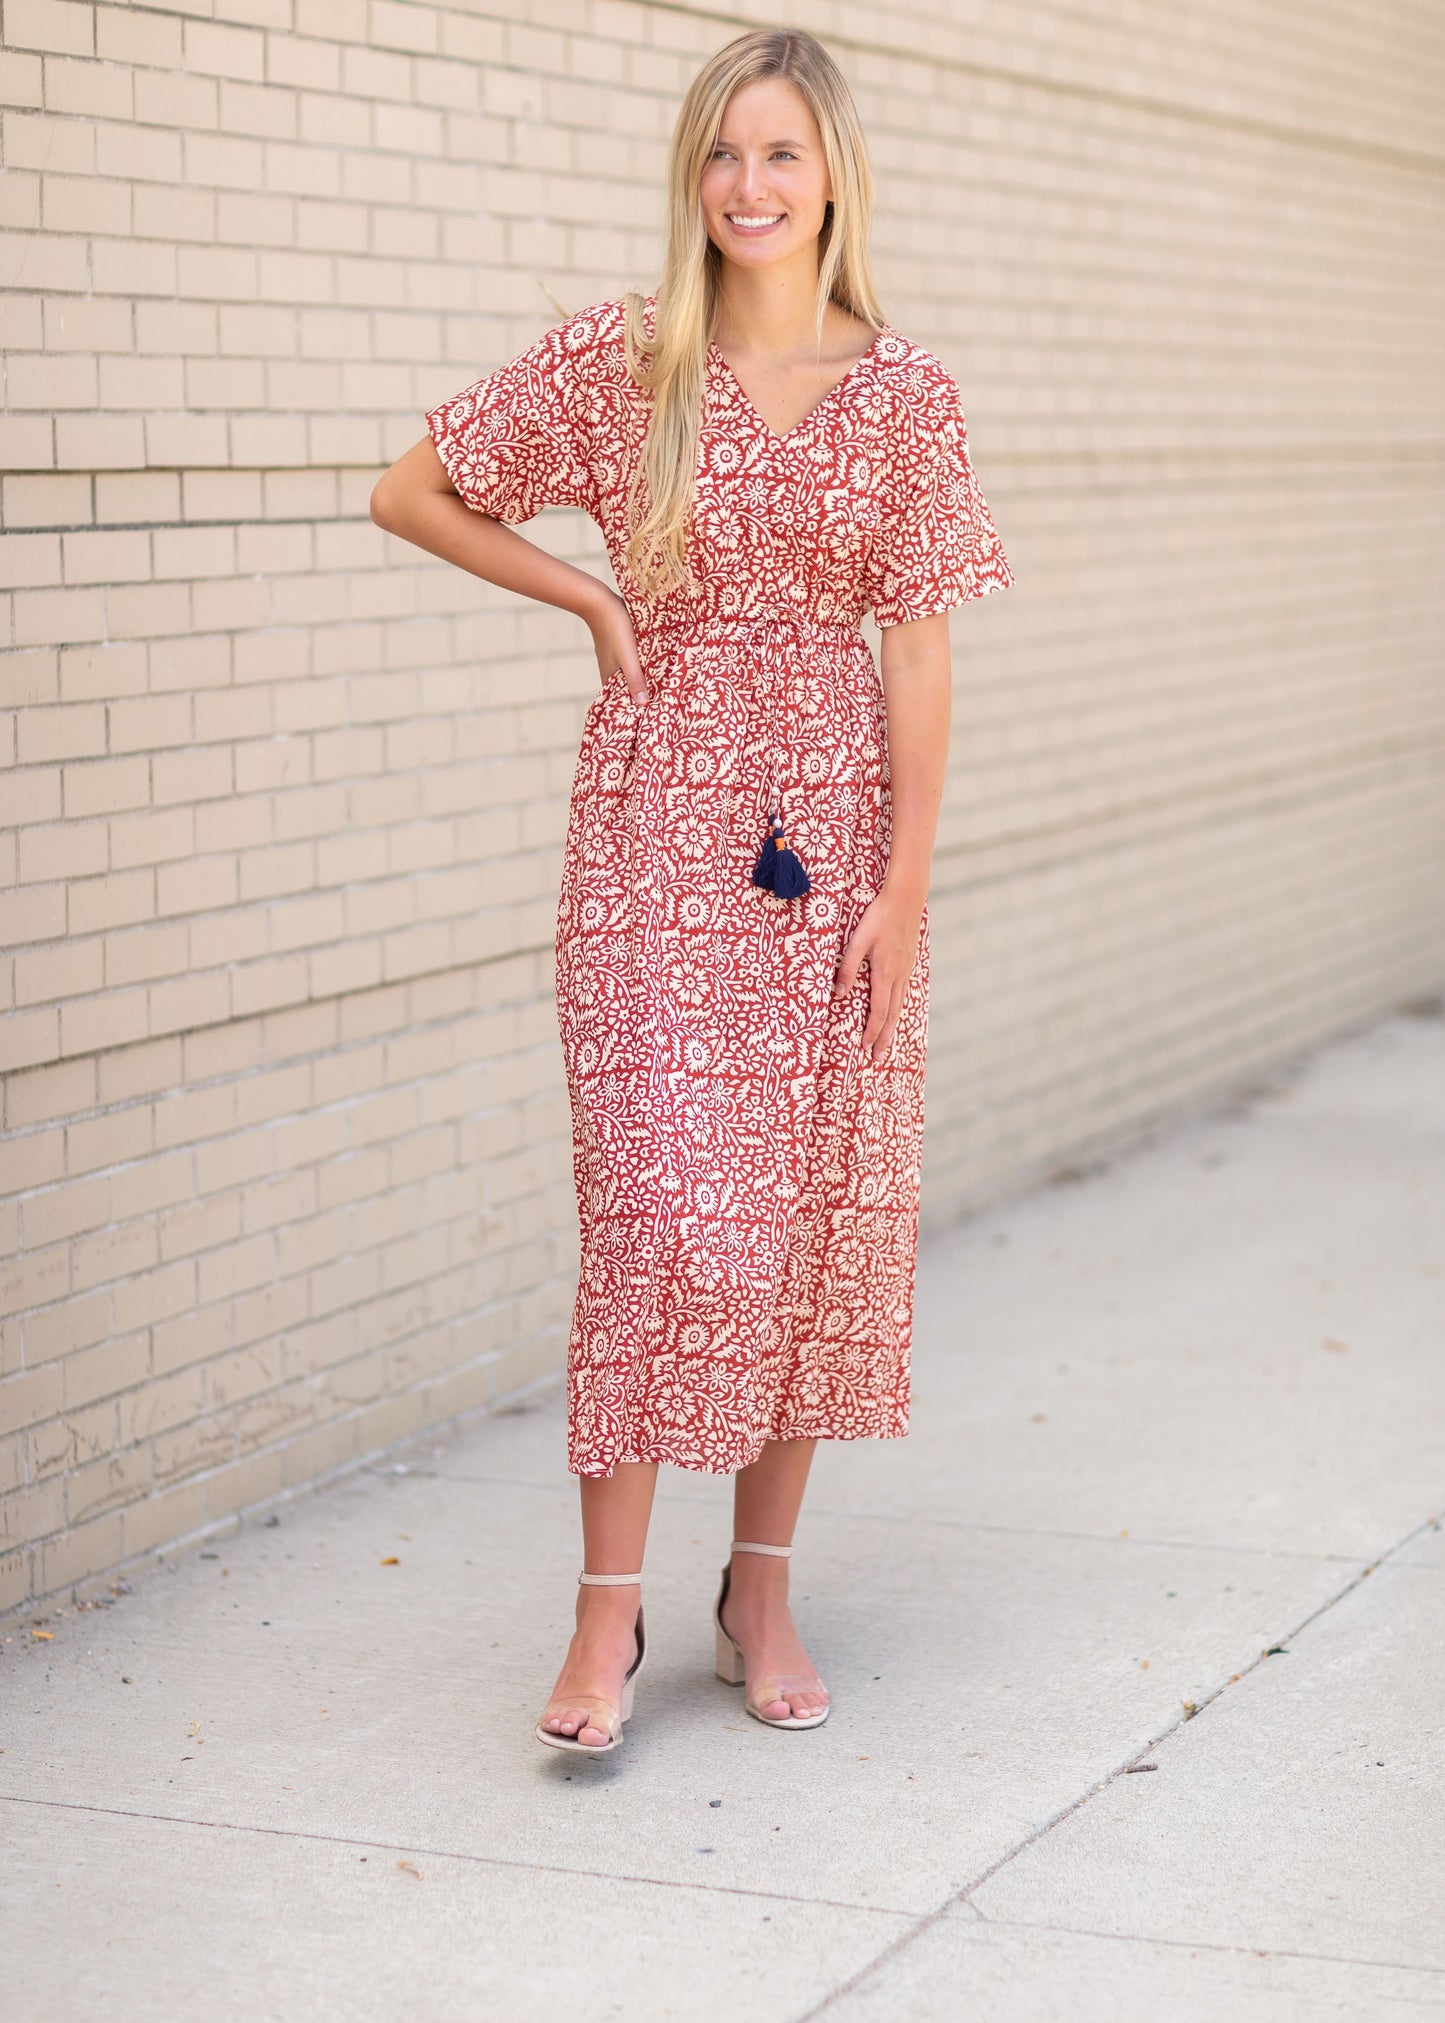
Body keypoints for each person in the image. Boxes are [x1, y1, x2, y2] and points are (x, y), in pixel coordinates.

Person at [370, 27, 1014, 1755]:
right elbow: (411, 489)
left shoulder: (908, 393)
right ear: (693, 175)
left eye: (782, 155)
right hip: (654, 830)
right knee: (666, 1215)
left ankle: (762, 1587)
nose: (749, 186)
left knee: (801, 1222)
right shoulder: (625, 361)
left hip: (832, 847)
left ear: (833, 177)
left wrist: (906, 889)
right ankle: (603, 1621)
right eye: (723, 155)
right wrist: (588, 602)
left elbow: (923, 653)